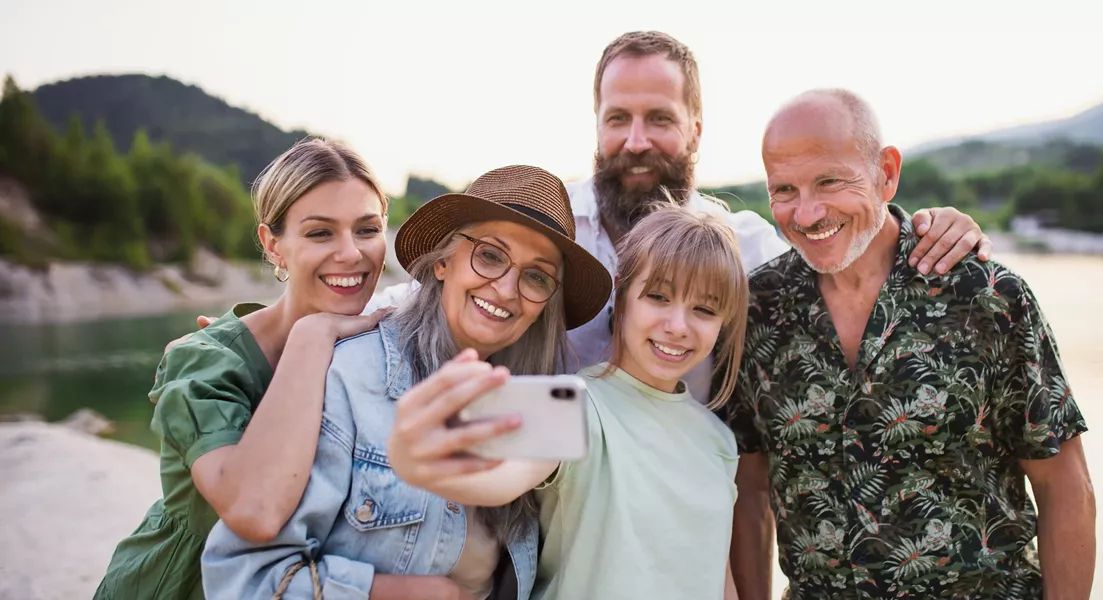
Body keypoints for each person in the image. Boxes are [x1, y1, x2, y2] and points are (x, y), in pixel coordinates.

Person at [369, 31, 995, 405]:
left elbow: (844, 257)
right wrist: (327, 324)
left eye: (660, 119)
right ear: (597, 125)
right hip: (540, 507)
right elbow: (434, 293)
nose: (636, 141)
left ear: (696, 130)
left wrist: (930, 226)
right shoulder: (548, 228)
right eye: (618, 119)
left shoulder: (743, 248)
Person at [719, 89, 1096, 600]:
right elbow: (750, 489)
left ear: (887, 173)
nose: (806, 214)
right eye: (784, 190)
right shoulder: (756, 310)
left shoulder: (987, 297)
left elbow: (1064, 486)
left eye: (829, 181)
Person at [200, 165, 613, 600]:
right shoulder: (349, 376)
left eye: (536, 276)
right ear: (443, 261)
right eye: (490, 255)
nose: (507, 289)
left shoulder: (534, 404)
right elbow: (244, 580)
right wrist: (414, 593)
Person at [386, 205, 751, 600]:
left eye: (704, 309)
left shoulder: (719, 440)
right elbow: (498, 482)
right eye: (658, 297)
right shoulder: (572, 403)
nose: (678, 326)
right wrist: (414, 461)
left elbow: (717, 576)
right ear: (622, 294)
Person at [93, 138, 395, 600]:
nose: (351, 253)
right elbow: (254, 512)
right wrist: (311, 338)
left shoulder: (377, 342)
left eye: (367, 229)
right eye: (320, 233)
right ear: (273, 245)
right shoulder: (208, 361)